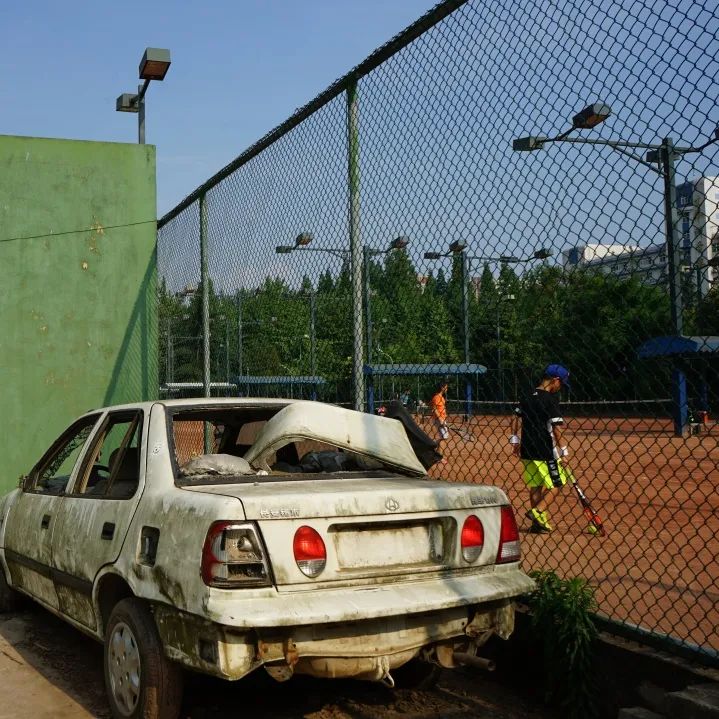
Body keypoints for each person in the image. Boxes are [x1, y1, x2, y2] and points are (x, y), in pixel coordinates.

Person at [510, 364, 571, 534]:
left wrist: (514, 440)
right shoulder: (550, 399)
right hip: (545, 449)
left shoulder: (527, 395)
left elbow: (515, 417)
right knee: (558, 483)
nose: (560, 387)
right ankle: (538, 511)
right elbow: (557, 428)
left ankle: (537, 524)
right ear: (555, 380)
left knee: (536, 485)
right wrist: (564, 451)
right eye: (561, 383)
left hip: (526, 448)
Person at [429, 381, 449, 455]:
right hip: (439, 419)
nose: (447, 389)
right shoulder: (437, 397)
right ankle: (439, 456)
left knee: (443, 437)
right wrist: (440, 419)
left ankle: (432, 447)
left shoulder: (441, 398)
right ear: (442, 388)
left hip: (442, 419)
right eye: (446, 387)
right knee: (444, 437)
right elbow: (434, 409)